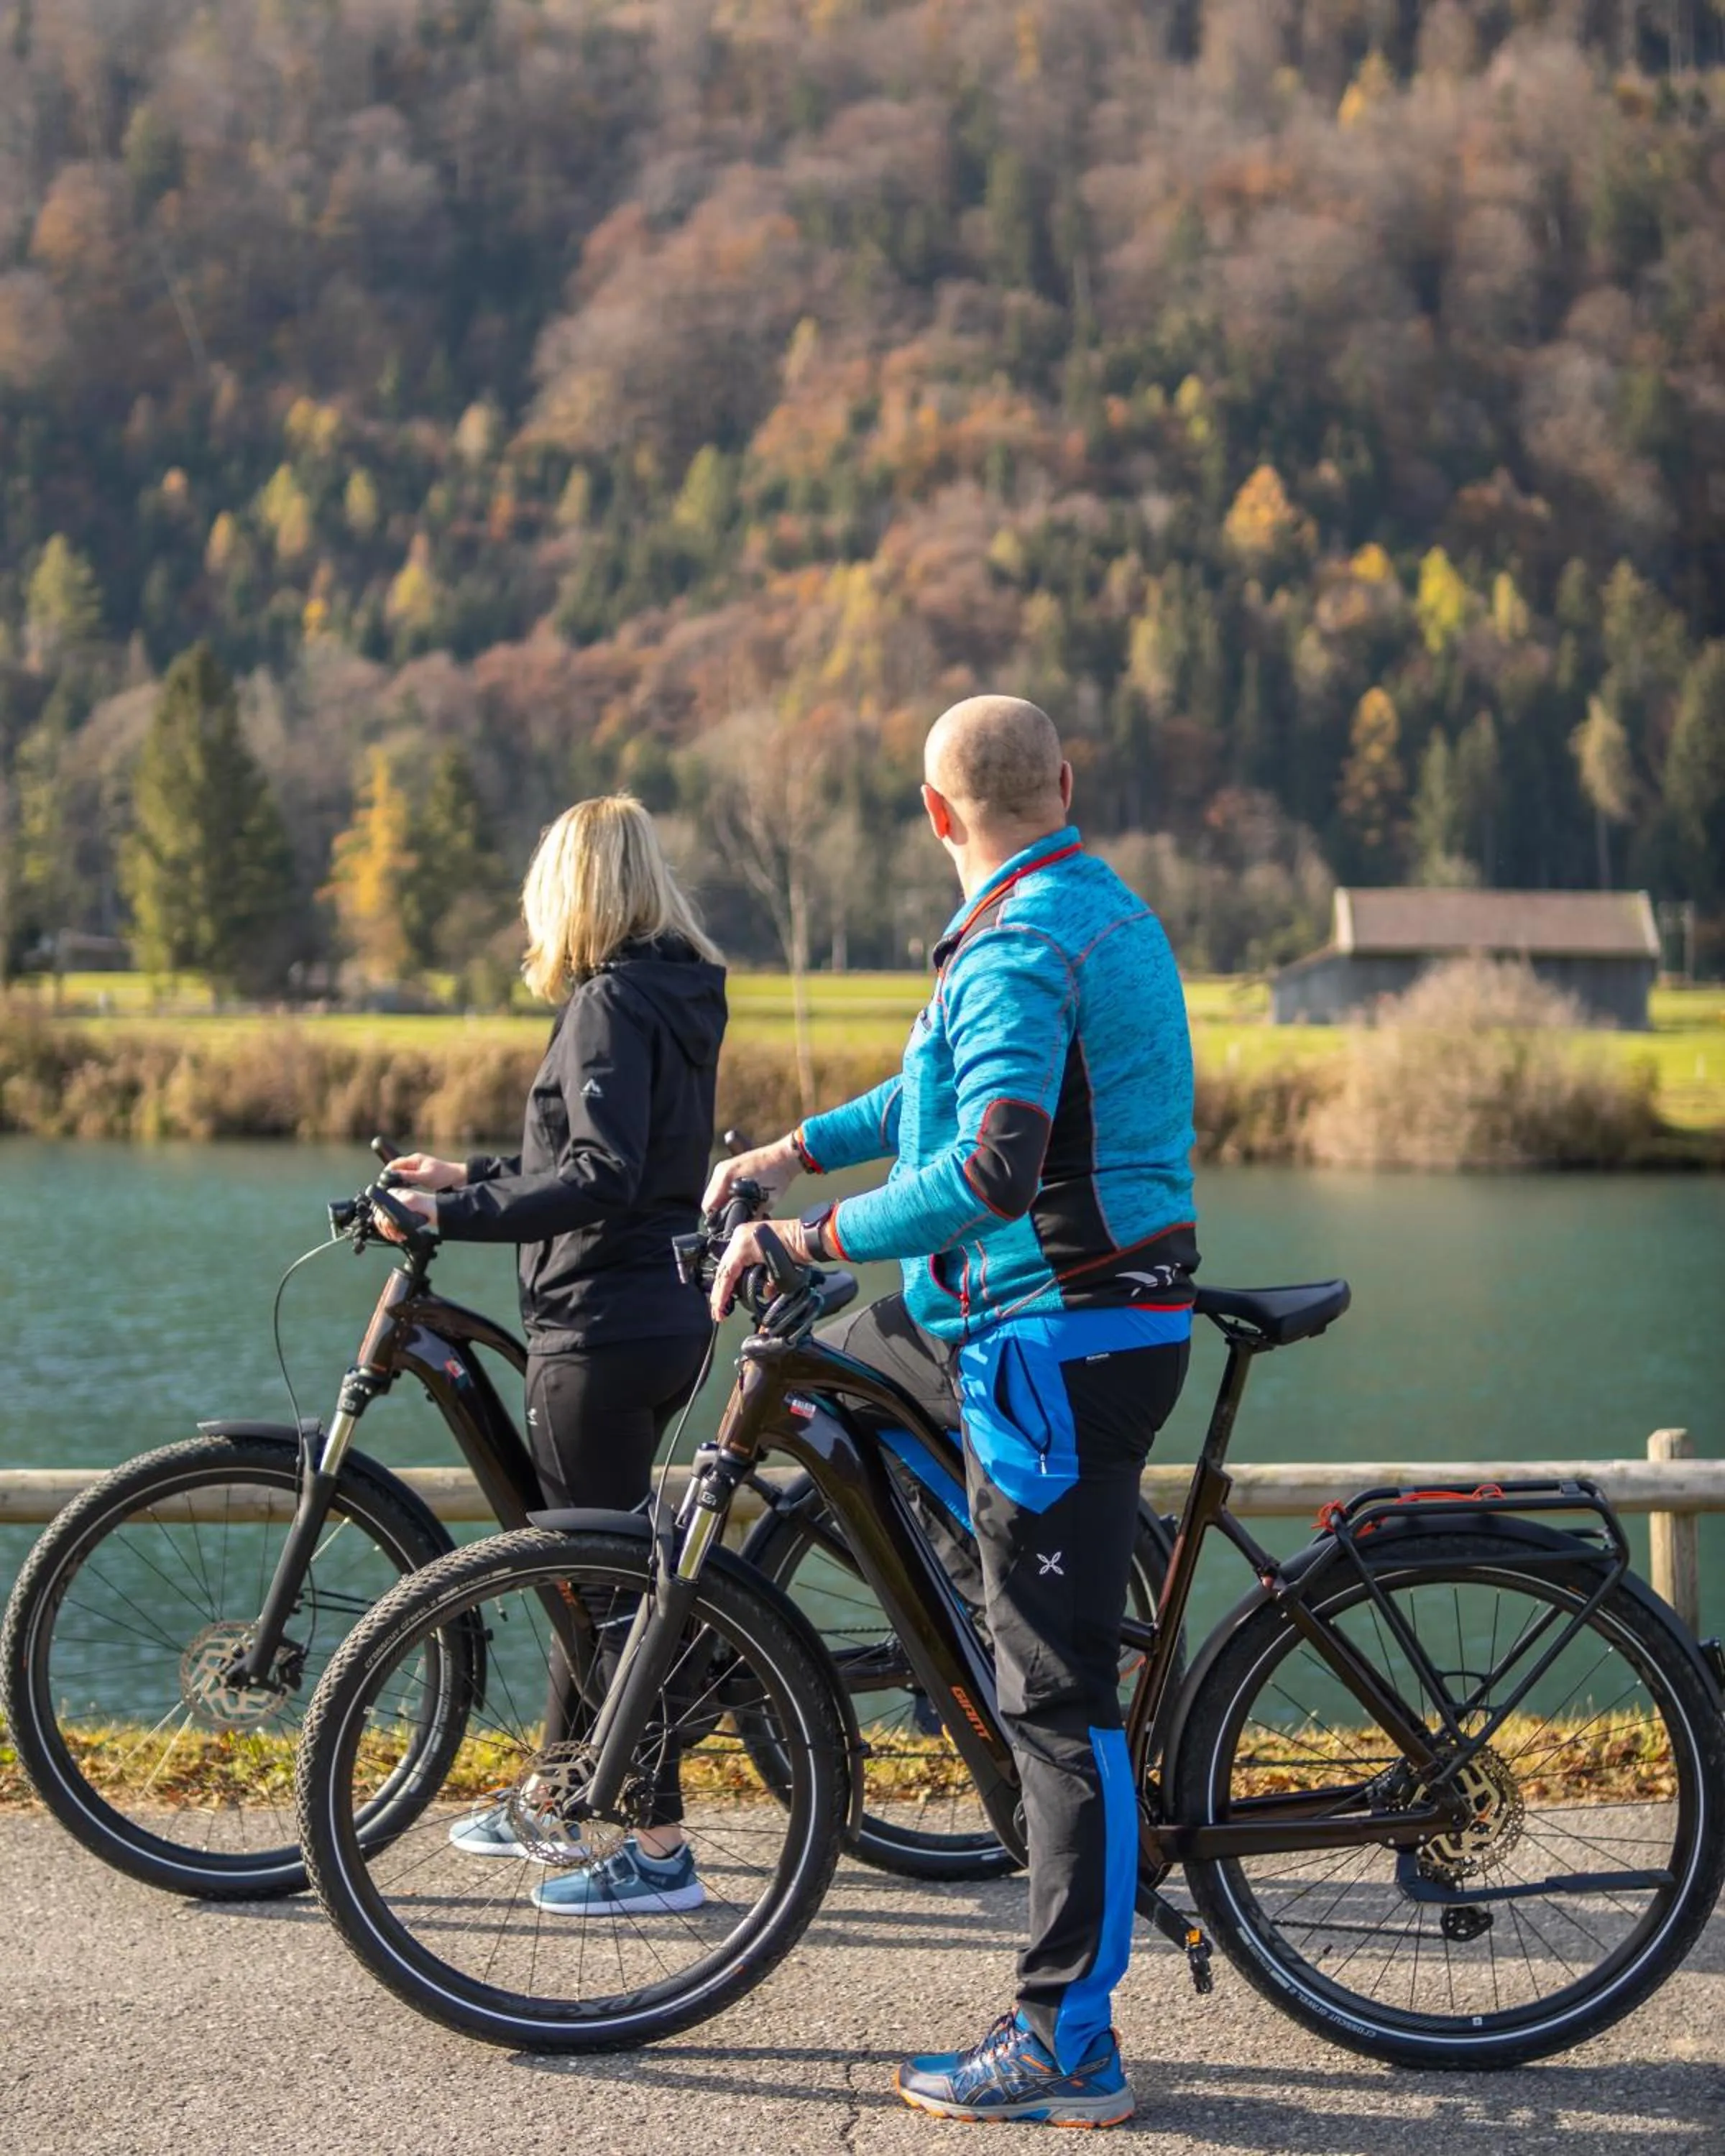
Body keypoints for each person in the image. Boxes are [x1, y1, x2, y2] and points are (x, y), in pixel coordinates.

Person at [707, 696, 1197, 2128]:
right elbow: (931, 1100)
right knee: (854, 1366)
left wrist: (810, 1235)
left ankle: (1070, 2046)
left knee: (1055, 1695)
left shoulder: (1020, 943)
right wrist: (791, 1152)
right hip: (1015, 1317)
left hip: (1061, 1338)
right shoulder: (1066, 906)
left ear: (936, 813)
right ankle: (970, 1616)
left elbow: (987, 1169)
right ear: (1063, 781)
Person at [381, 794, 726, 1920]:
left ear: (567, 890)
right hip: (662, 1316)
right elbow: (590, 1152)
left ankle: (662, 1848)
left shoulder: (608, 1002)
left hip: (600, 1327)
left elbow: (598, 1178)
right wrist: (468, 1179)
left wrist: (445, 1222)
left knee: (609, 1595)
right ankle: (559, 1792)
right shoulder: (674, 992)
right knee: (580, 1570)